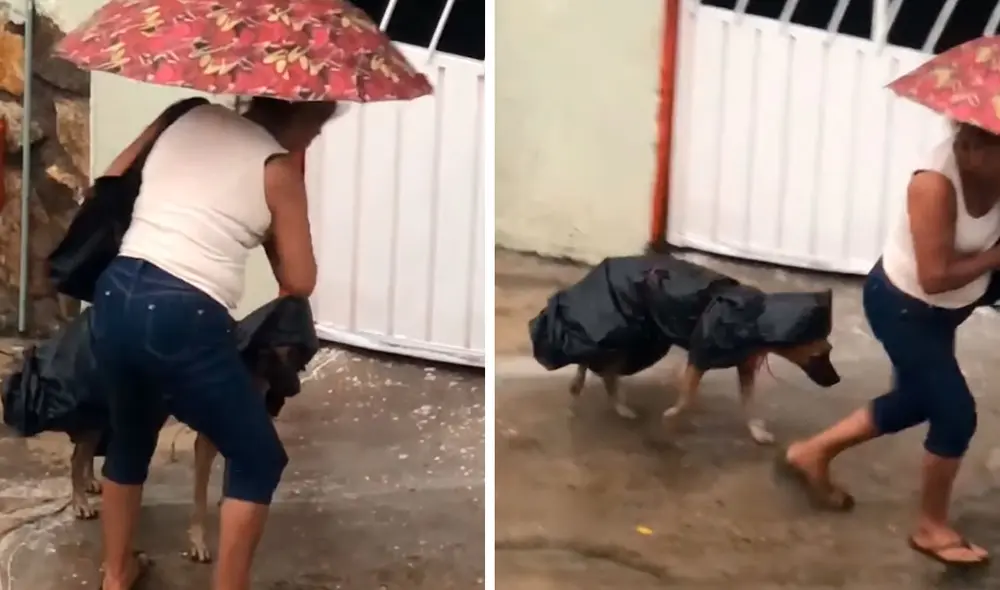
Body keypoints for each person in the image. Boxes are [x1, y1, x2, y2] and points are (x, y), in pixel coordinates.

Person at [93, 96, 338, 590]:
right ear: (301, 115)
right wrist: (268, 221)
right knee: (256, 456)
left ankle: (117, 575)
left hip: (114, 292)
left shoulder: (183, 115)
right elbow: (301, 279)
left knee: (131, 435)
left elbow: (109, 182)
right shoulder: (276, 170)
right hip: (181, 314)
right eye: (317, 126)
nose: (314, 138)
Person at [778, 122, 1000, 568]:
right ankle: (930, 527)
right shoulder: (933, 185)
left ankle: (811, 452)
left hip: (950, 309)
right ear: (971, 146)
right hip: (904, 307)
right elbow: (934, 277)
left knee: (921, 399)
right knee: (955, 412)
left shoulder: (993, 169)